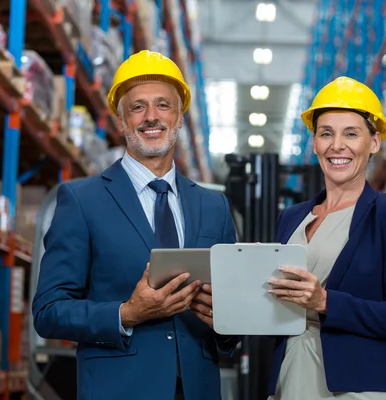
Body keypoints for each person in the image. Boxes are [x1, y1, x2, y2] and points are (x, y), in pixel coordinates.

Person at [31, 50, 238, 400]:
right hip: (118, 388)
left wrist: (225, 323)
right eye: (138, 107)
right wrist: (127, 314)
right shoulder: (82, 200)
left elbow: (234, 312)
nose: (151, 117)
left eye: (163, 105)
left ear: (180, 118)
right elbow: (49, 311)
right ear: (121, 121)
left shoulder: (213, 205)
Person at [265, 76, 386, 399]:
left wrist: (325, 302)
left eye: (351, 133)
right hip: (289, 381)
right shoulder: (292, 218)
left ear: (374, 142)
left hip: (353, 391)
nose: (337, 145)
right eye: (326, 133)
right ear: (314, 143)